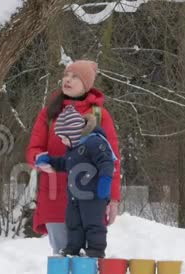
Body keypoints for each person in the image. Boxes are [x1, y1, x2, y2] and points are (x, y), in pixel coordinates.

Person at [25, 59, 121, 255]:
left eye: (75, 77)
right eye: (66, 75)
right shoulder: (50, 113)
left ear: (86, 84)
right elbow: (34, 149)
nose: (67, 80)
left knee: (91, 254)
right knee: (62, 254)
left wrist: (113, 199)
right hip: (54, 195)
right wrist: (40, 160)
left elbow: (112, 160)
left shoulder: (100, 115)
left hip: (89, 197)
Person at [35, 107, 115, 258]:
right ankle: (74, 248)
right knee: (73, 223)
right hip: (75, 197)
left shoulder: (95, 142)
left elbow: (106, 162)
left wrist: (105, 182)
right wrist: (49, 160)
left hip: (93, 196)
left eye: (64, 137)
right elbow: (64, 163)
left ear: (73, 133)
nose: (63, 141)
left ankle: (95, 250)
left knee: (93, 224)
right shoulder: (73, 150)